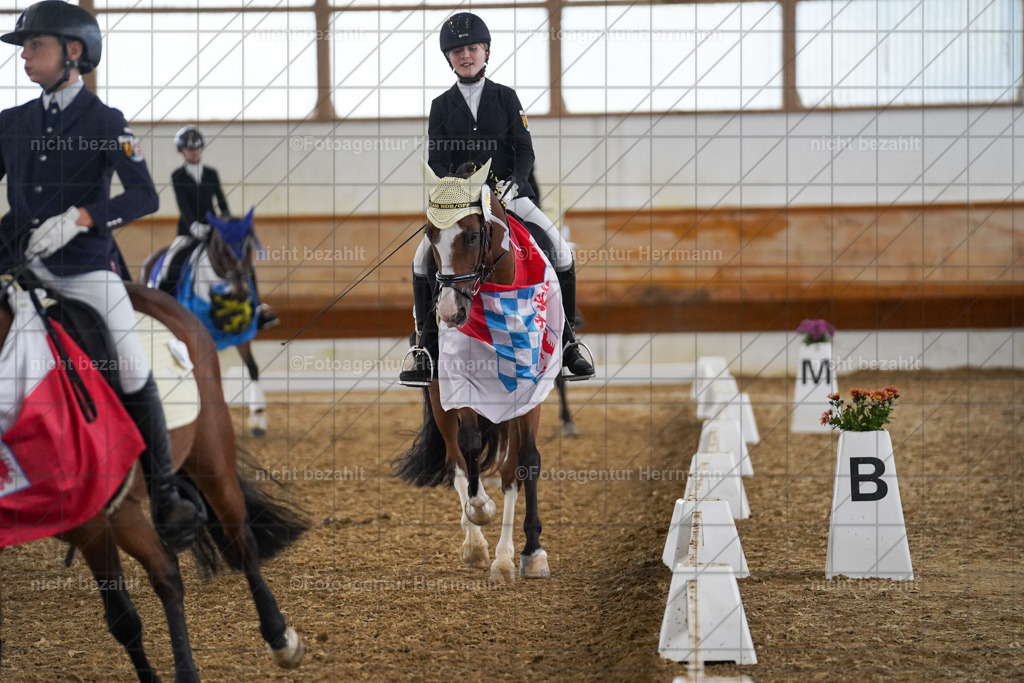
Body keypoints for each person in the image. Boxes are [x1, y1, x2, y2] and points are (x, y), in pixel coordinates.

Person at [0, 1, 199, 550]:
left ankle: (165, 492)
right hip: (16, 263)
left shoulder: (107, 121)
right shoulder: (11, 122)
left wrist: (83, 217)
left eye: (34, 46)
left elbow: (143, 195)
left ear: (73, 52)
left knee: (128, 359)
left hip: (83, 267)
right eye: (23, 48)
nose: (24, 57)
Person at [399, 12, 594, 386]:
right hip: (461, 205)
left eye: (472, 48)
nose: (466, 56)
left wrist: (515, 182)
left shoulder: (506, 97)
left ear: (485, 52)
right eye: (458, 51)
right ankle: (425, 348)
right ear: (449, 58)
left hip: (508, 197)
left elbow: (525, 150)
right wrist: (450, 188)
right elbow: (437, 158)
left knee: (561, 253)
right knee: (421, 262)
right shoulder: (441, 105)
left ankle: (569, 342)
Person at [171, 125, 277, 329]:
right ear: (182, 151)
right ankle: (165, 296)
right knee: (171, 260)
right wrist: (193, 225)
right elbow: (182, 205)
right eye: (189, 149)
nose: (194, 152)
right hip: (188, 230)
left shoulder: (211, 173)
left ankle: (258, 308)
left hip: (214, 229)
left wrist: (227, 221)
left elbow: (220, 200)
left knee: (244, 261)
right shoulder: (178, 176)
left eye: (197, 148)